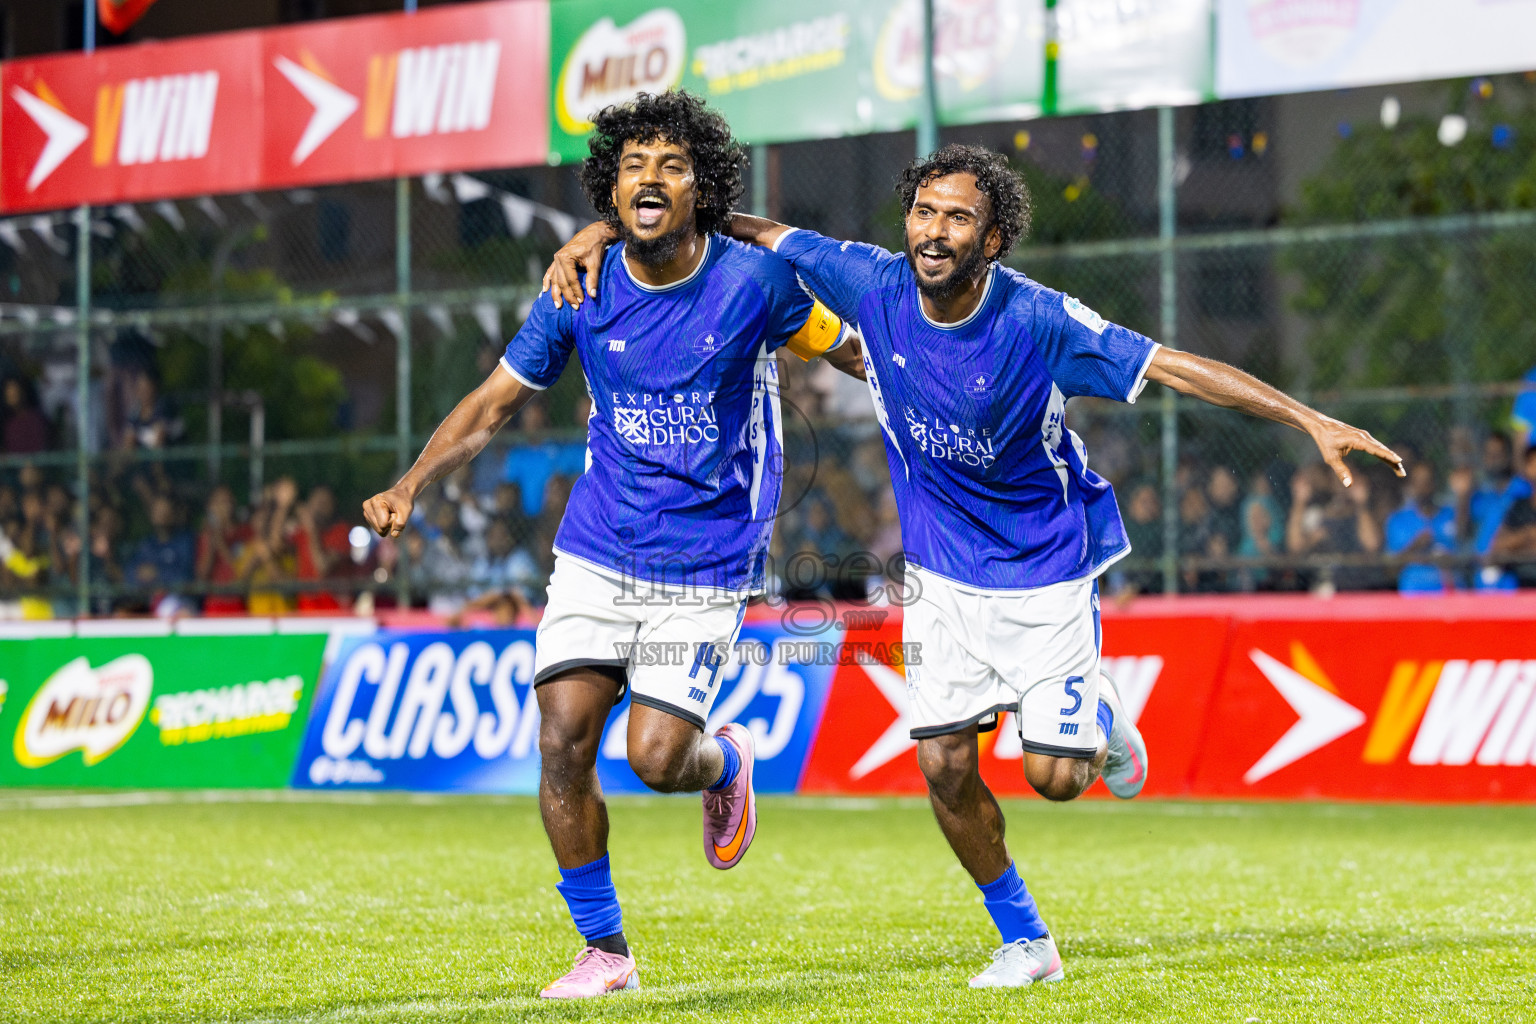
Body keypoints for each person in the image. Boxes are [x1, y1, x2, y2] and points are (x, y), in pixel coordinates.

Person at [546, 141, 1404, 988]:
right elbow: (743, 226)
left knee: (1054, 779)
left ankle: (1099, 718)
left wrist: (1309, 420)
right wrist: (602, 232)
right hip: (941, 579)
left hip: (1046, 572)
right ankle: (1027, 941)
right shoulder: (870, 281)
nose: (935, 230)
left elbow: (1174, 368)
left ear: (992, 240)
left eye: (958, 219)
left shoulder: (1040, 320)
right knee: (945, 766)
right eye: (924, 212)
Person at [362, 91, 862, 999]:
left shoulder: (755, 283)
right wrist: (410, 484)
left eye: (672, 165)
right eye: (633, 165)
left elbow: (852, 353)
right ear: (611, 188)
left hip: (708, 557)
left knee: (658, 760)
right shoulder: (579, 288)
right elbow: (493, 404)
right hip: (598, 547)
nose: (650, 179)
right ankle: (606, 952)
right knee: (561, 742)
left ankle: (724, 762)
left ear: (702, 186)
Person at [1385, 463, 1456, 593]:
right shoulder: (1398, 520)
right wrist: (1415, 546)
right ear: (1410, 486)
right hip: (1413, 597)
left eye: (1427, 482)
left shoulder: (1452, 515)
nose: (1423, 488)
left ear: (1435, 484)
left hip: (1449, 596)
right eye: (1417, 482)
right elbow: (1390, 570)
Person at [1489, 445, 1536, 588]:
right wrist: (1526, 535)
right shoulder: (1519, 507)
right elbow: (1497, 547)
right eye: (1533, 463)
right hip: (1524, 585)